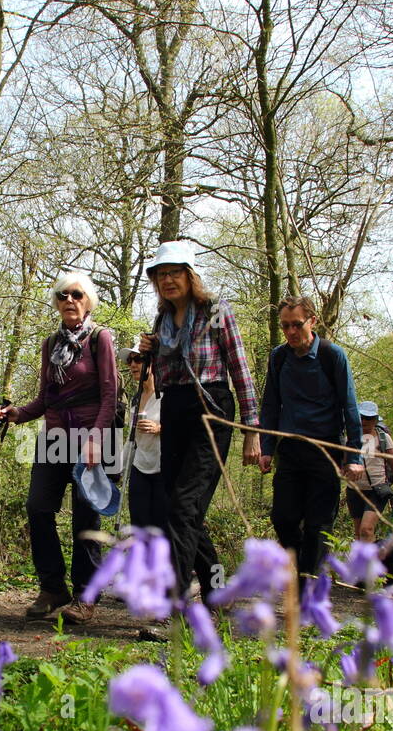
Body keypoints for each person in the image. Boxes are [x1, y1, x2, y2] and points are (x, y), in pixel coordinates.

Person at [137, 241, 260, 608]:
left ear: (190, 276)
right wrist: (150, 352)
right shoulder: (161, 321)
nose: (168, 280)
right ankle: (218, 588)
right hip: (174, 409)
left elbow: (239, 368)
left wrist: (252, 430)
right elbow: (161, 376)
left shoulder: (216, 311)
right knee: (184, 509)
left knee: (183, 508)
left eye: (175, 272)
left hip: (212, 408)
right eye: (161, 275)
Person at [0, 270, 118, 625]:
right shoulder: (51, 344)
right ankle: (53, 589)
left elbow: (110, 395)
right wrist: (16, 414)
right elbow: (44, 400)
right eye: (63, 296)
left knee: (86, 518)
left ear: (88, 301)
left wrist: (96, 438)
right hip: (53, 439)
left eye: (76, 295)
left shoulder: (100, 338)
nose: (69, 301)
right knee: (38, 508)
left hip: (93, 439)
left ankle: (86, 597)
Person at [259, 297, 363, 581]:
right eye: (285, 326)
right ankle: (304, 562)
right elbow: (270, 405)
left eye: (296, 325)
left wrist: (354, 456)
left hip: (325, 449)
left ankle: (308, 585)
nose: (291, 332)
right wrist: (266, 447)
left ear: (312, 321)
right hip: (290, 450)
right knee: (283, 518)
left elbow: (350, 407)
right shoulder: (278, 357)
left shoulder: (333, 356)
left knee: (319, 524)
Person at [345, 400, 393, 543]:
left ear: (376, 420)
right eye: (362, 417)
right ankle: (363, 563)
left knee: (367, 529)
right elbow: (343, 464)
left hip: (377, 490)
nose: (364, 421)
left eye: (369, 418)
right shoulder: (350, 439)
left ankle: (370, 563)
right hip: (355, 490)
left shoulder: (384, 438)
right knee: (359, 533)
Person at [123, 341, 165, 530]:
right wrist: (120, 468)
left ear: (152, 362)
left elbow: (185, 428)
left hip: (163, 470)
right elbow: (132, 440)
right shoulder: (135, 399)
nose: (132, 365)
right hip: (139, 466)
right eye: (130, 361)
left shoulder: (168, 395)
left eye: (138, 359)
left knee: (160, 525)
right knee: (138, 524)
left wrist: (159, 428)